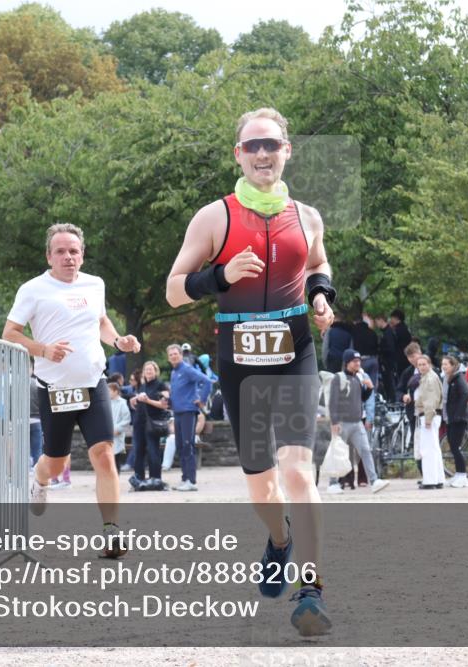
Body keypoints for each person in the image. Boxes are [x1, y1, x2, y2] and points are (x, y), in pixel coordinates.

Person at [165, 107, 336, 635]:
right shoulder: (214, 217)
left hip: (294, 350)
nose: (263, 153)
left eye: (272, 144)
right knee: (262, 488)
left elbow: (317, 264)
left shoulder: (307, 216)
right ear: (239, 154)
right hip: (238, 357)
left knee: (298, 471)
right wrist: (219, 275)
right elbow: (174, 289)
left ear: (288, 152)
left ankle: (311, 590)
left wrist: (322, 297)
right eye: (253, 145)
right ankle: (279, 540)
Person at [2, 222, 141, 557]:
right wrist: (44, 349)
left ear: (83, 254)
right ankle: (39, 477)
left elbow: (101, 322)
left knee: (104, 455)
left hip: (93, 383)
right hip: (55, 388)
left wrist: (118, 340)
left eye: (74, 251)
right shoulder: (33, 289)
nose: (68, 257)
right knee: (56, 459)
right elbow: (10, 333)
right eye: (61, 251)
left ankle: (111, 532)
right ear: (49, 256)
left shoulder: (95, 284)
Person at [326, 349, 388, 495]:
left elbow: (361, 398)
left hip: (357, 422)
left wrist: (370, 388)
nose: (358, 363)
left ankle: (374, 481)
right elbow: (333, 401)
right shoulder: (338, 378)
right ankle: (333, 483)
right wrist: (334, 422)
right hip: (342, 422)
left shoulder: (359, 377)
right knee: (338, 453)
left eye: (359, 361)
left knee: (366, 450)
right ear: (347, 362)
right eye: (355, 361)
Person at [167, 343, 211, 491]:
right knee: (180, 446)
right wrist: (168, 402)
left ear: (181, 355)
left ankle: (191, 481)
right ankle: (185, 479)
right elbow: (176, 392)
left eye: (175, 353)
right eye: (171, 354)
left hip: (188, 412)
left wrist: (202, 400)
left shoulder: (187, 369)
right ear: (169, 358)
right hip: (178, 413)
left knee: (187, 445)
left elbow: (207, 381)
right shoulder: (174, 372)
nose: (173, 356)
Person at [130, 360, 170, 491]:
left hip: (153, 423)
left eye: (151, 369)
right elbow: (137, 402)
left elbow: (164, 404)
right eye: (146, 369)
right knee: (138, 452)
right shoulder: (142, 385)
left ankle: (156, 479)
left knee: (153, 452)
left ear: (156, 371)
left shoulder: (160, 385)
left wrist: (148, 400)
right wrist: (134, 400)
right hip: (139, 423)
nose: (148, 371)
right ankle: (139, 480)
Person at [413, 354, 445, 489]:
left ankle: (430, 481)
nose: (421, 367)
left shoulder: (429, 379)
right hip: (432, 415)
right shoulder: (429, 377)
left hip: (429, 415)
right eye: (419, 365)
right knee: (434, 448)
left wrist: (428, 418)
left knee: (428, 450)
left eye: (424, 364)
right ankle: (438, 479)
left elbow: (430, 400)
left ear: (429, 364)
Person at [441, 354, 468, 488]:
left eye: (446, 364)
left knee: (455, 447)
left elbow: (465, 394)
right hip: (451, 417)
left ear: (453, 365)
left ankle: (463, 476)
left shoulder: (458, 378)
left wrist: (459, 413)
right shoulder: (449, 378)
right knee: (453, 446)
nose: (443, 367)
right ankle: (458, 474)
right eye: (442, 364)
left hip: (458, 418)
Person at [109, 382, 131, 469]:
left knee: (115, 459)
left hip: (117, 434)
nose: (107, 393)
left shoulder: (122, 403)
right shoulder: (107, 402)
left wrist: (117, 429)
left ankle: (116, 480)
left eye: (109, 391)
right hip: (107, 434)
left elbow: (126, 419)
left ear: (115, 391)